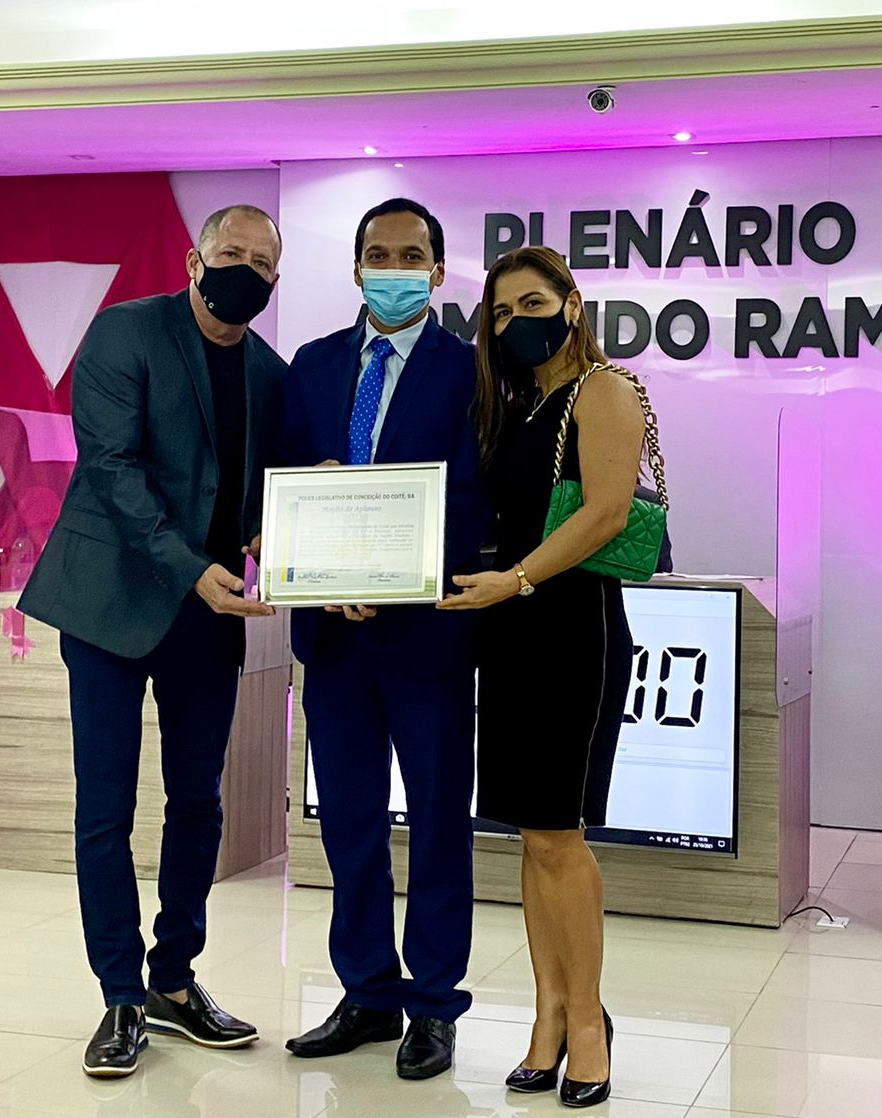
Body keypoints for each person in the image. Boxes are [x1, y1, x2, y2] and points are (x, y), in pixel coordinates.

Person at [17, 205, 286, 1079]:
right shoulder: (125, 332)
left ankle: (173, 978)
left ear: (275, 280)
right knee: (106, 808)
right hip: (110, 602)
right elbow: (111, 467)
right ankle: (120, 995)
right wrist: (191, 566)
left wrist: (273, 537)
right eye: (230, 252)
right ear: (194, 259)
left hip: (208, 613)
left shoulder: (270, 373)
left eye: (261, 261)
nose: (245, 269)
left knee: (198, 802)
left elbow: (259, 492)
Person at [439, 246, 664, 1109]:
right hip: (509, 632)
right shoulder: (518, 404)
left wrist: (518, 578)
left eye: (530, 304)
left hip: (575, 630)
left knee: (561, 837)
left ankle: (590, 1026)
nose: (514, 323)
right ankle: (549, 1014)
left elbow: (606, 512)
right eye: (500, 313)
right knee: (531, 838)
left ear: (572, 305)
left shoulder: (606, 390)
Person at [279, 198, 487, 1081]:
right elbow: (282, 480)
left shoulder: (471, 371)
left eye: (410, 256)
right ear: (357, 267)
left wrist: (392, 574)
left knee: (438, 821)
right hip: (333, 637)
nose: (392, 269)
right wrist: (325, 567)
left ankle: (433, 1003)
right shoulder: (313, 364)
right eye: (377, 254)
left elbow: (477, 500)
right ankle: (366, 989)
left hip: (426, 635)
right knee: (349, 821)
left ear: (436, 273)